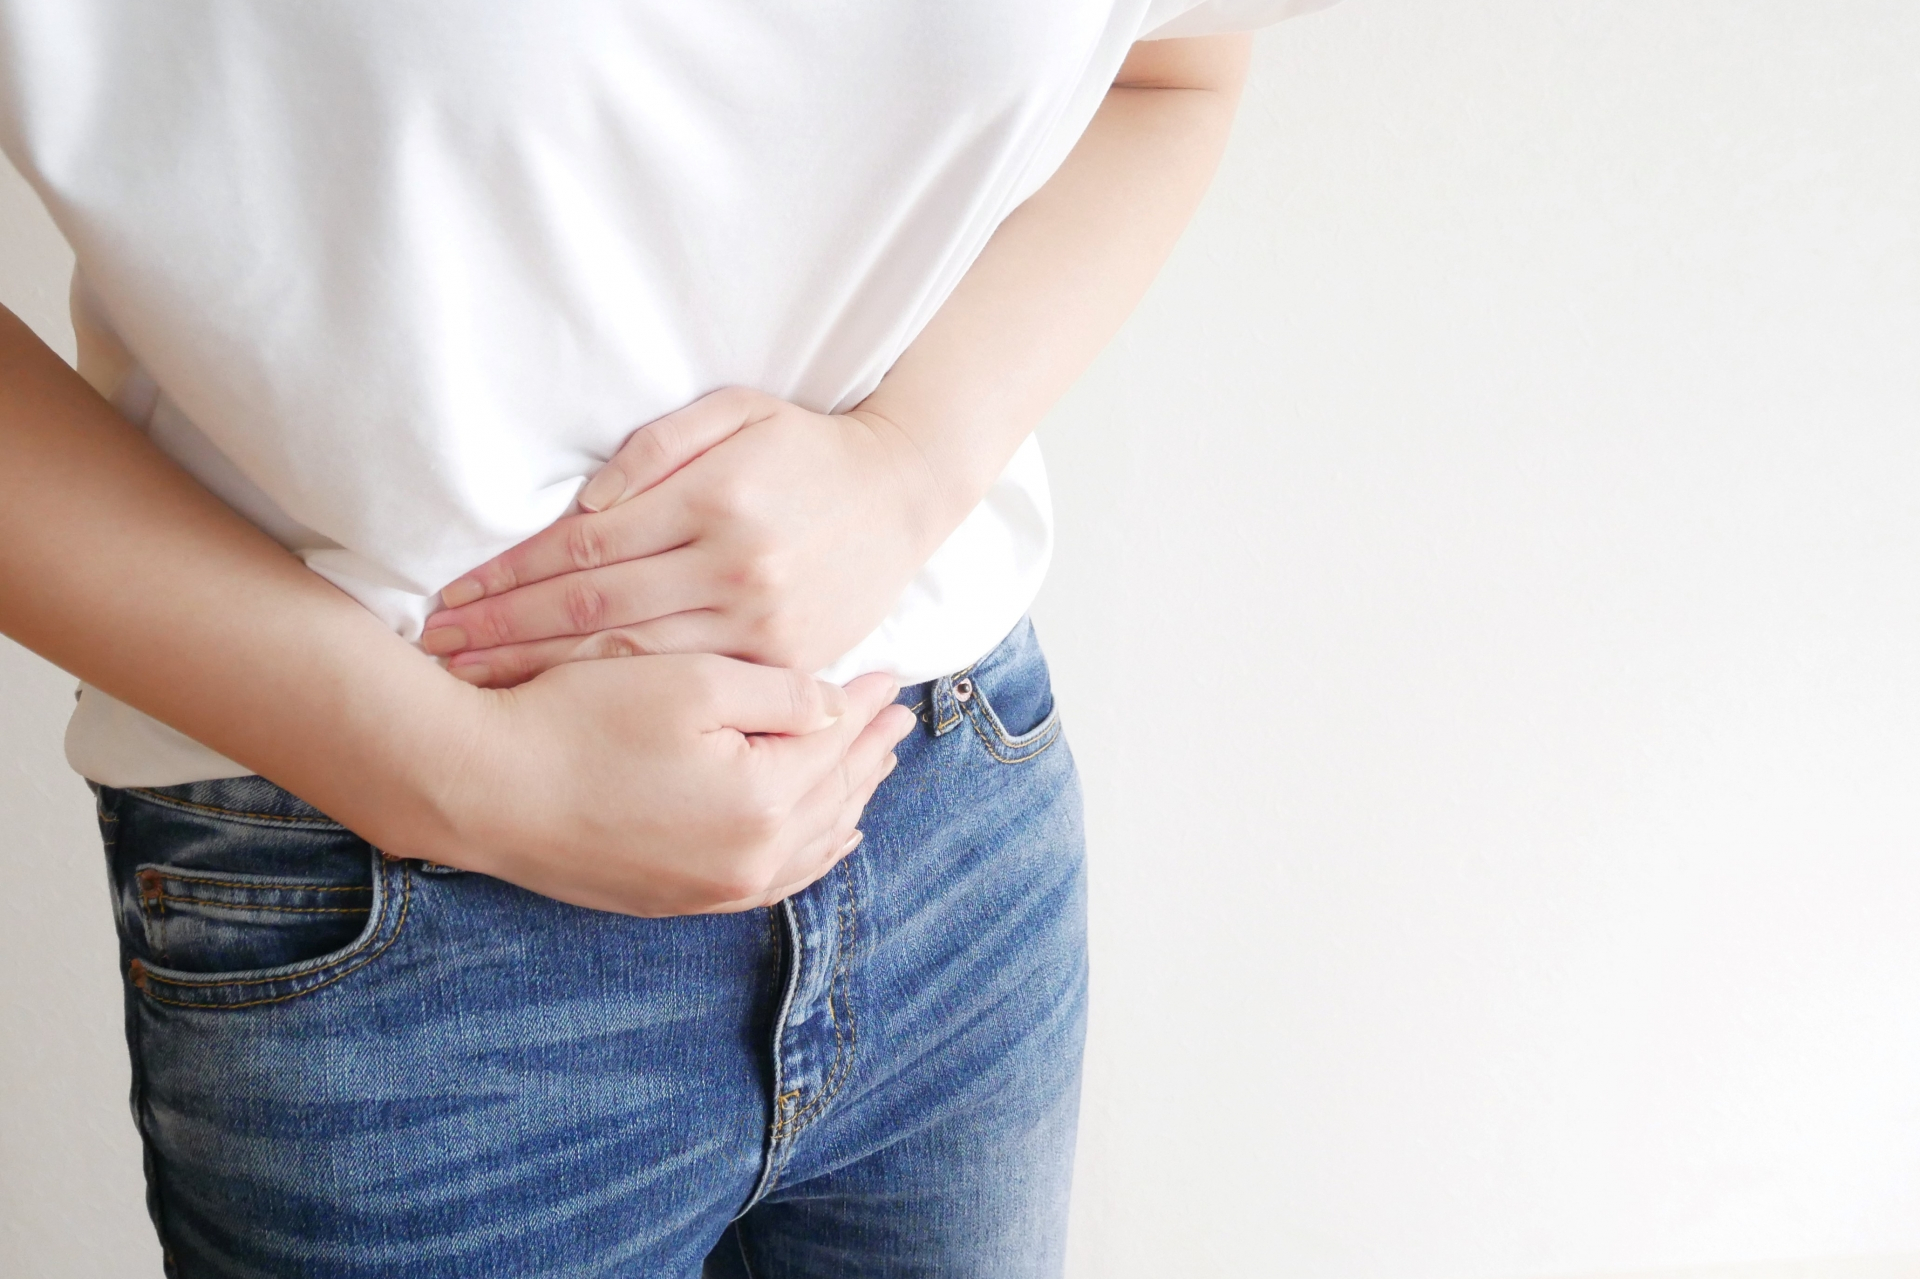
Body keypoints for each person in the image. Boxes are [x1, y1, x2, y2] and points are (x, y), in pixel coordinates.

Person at [0, 2, 1330, 1275]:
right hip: (379, 899)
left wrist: (912, 461)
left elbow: (1171, 69)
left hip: (951, 814)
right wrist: (457, 770)